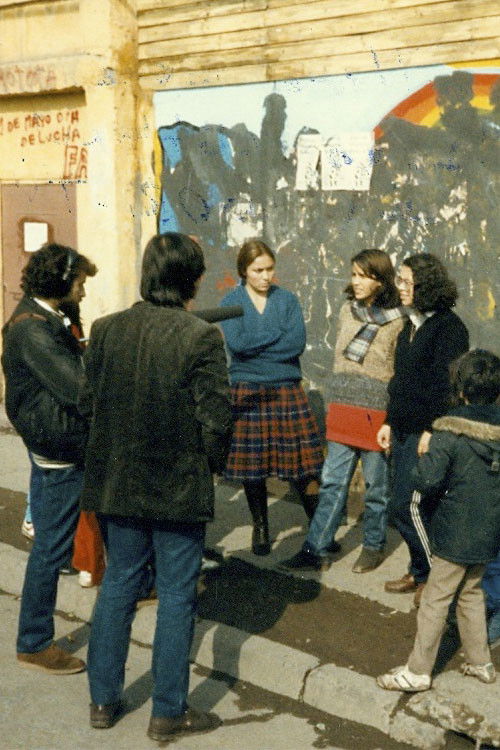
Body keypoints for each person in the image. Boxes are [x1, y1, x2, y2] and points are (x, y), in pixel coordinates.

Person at [79, 233, 232, 741]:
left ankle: (103, 701)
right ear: (193, 280)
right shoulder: (200, 336)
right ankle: (168, 710)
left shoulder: (105, 329)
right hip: (177, 488)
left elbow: (87, 406)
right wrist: (209, 469)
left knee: (119, 584)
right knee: (176, 595)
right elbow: (216, 420)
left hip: (118, 483)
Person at [377, 349, 500, 691]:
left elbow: (427, 480)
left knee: (435, 599)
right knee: (471, 594)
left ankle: (417, 671)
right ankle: (481, 663)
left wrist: (424, 460)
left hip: (455, 532)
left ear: (460, 390)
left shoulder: (449, 433)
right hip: (489, 531)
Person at [2, 242, 96, 675]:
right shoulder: (33, 330)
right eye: (79, 284)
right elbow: (78, 389)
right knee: (52, 547)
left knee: (59, 535)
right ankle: (34, 642)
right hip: (60, 446)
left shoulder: (44, 316)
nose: (83, 291)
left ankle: (137, 582)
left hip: (55, 440)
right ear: (60, 283)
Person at [282, 249, 405, 572]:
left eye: (365, 276)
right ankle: (316, 548)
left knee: (376, 490)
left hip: (376, 414)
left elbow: (397, 371)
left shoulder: (398, 321)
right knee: (332, 483)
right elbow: (340, 361)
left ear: (382, 280)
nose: (357, 281)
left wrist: (391, 419)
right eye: (354, 274)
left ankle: (373, 546)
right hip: (342, 409)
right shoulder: (346, 311)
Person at [219, 239, 324, 556]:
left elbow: (296, 345)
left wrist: (258, 348)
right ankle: (261, 527)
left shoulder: (287, 300)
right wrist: (277, 335)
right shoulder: (231, 301)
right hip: (249, 391)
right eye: (258, 270)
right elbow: (237, 345)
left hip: (286, 389)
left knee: (302, 466)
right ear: (244, 271)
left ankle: (319, 527)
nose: (265, 276)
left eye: (269, 269)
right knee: (253, 468)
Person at [377, 253, 469, 605]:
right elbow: (401, 382)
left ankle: (435, 580)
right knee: (413, 506)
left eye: (405, 281)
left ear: (425, 286)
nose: (399, 287)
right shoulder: (410, 325)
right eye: (399, 280)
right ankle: (420, 570)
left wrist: (433, 430)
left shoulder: (449, 329)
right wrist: (388, 421)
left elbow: (447, 388)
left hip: (425, 433)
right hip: (402, 429)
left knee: (407, 505)